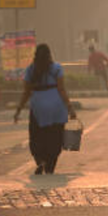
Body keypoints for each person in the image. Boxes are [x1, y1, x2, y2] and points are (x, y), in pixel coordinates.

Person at [14, 44, 77, 175]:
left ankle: (40, 160)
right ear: (50, 54)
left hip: (38, 107)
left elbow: (26, 92)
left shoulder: (31, 70)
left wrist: (18, 110)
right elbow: (61, 89)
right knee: (55, 136)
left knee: (37, 136)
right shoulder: (57, 68)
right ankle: (50, 165)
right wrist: (70, 108)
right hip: (56, 106)